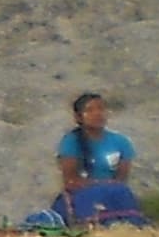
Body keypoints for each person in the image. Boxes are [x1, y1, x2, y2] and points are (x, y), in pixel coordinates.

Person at [44, 93, 146, 227]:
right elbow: (71, 182)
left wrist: (107, 186)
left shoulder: (121, 142)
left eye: (101, 109)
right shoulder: (71, 141)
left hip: (113, 195)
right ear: (78, 117)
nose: (97, 114)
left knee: (122, 193)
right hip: (82, 196)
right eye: (90, 110)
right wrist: (100, 184)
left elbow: (121, 180)